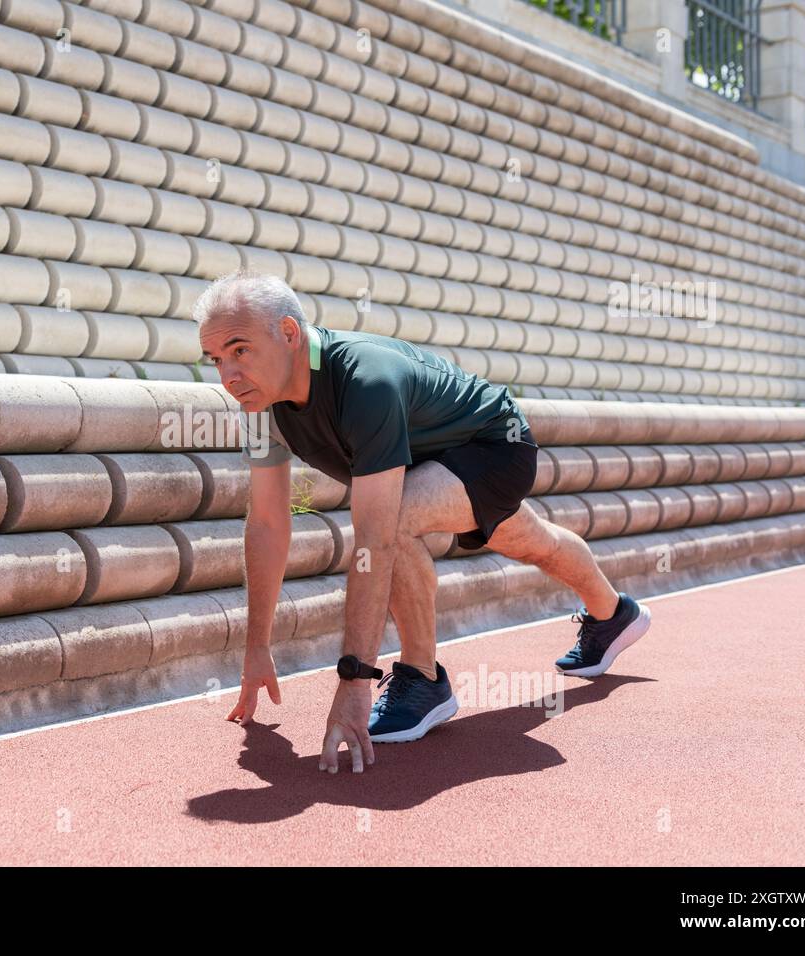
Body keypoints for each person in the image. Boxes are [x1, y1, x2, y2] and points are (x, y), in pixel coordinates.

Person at [194, 270, 652, 774]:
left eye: (240, 351)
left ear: (288, 333)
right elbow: (267, 522)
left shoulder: (364, 380)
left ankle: (422, 678)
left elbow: (374, 539)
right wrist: (257, 645)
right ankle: (614, 614)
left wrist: (353, 681)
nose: (228, 376)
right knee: (532, 541)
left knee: (394, 521)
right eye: (216, 359)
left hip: (494, 444)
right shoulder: (261, 408)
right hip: (421, 463)